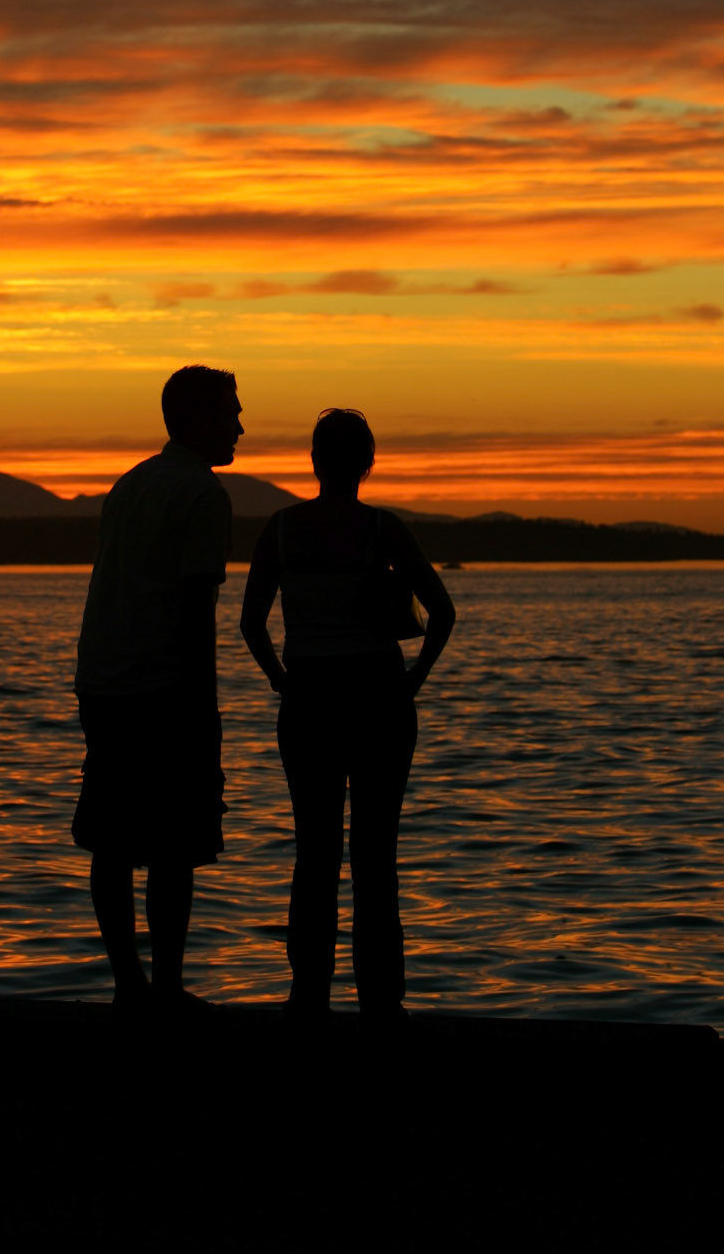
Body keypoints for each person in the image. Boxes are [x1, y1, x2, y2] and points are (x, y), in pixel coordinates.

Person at [239, 408, 455, 1022]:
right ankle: (382, 1005)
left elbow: (251, 623)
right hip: (378, 697)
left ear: (313, 461)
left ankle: (308, 998)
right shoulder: (383, 529)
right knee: (374, 855)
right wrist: (411, 681)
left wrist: (283, 681)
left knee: (314, 854)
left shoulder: (280, 529)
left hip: (308, 697)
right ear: (368, 463)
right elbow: (442, 613)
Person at [72, 364, 243, 1008]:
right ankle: (165, 987)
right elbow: (196, 612)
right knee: (174, 839)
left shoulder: (133, 483)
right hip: (161, 684)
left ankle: (128, 985)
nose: (240, 426)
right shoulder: (202, 496)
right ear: (198, 421)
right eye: (230, 414)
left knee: (113, 836)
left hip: (104, 678)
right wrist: (205, 710)